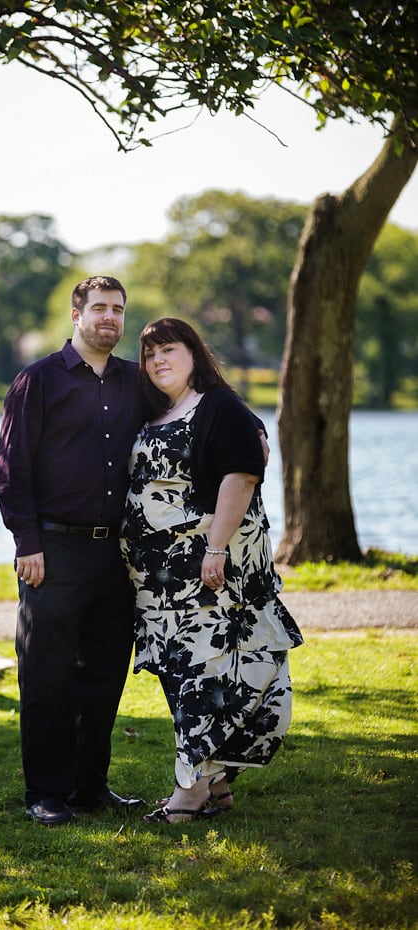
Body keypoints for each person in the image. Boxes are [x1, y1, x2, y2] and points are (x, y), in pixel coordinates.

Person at [120, 318, 303, 824]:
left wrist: (216, 548)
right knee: (181, 677)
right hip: (157, 580)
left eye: (169, 349)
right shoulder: (159, 410)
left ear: (195, 354)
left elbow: (242, 474)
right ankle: (216, 786)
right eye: (150, 353)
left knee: (205, 672)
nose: (158, 360)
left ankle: (191, 790)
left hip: (206, 570)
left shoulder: (218, 405)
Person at [0, 275, 147, 826]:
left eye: (119, 310)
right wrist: (27, 543)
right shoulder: (38, 380)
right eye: (101, 308)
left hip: (117, 558)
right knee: (47, 674)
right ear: (76, 314)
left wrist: (249, 431)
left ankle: (90, 788)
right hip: (53, 552)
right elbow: (13, 469)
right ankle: (46, 793)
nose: (111, 318)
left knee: (104, 675)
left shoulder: (136, 382)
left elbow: (193, 410)